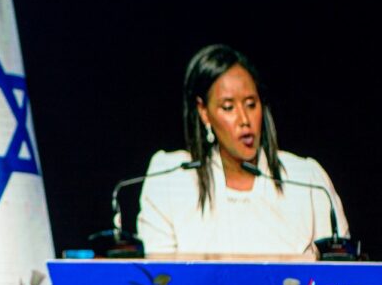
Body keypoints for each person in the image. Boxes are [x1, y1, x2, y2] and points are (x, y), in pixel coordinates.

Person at [137, 44, 347, 257]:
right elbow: (157, 274)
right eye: (228, 107)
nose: (244, 120)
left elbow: (342, 269)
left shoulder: (306, 179)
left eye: (251, 104)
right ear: (204, 111)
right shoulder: (171, 181)